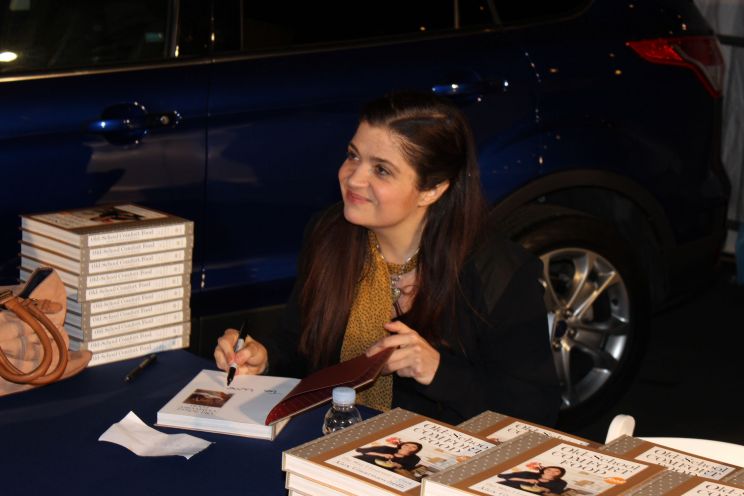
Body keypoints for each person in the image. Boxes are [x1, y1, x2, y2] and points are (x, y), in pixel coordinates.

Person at [214, 90, 561, 426]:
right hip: (329, 437)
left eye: (381, 170)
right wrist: (263, 357)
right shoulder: (330, 234)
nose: (353, 178)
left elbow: (535, 411)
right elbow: (300, 344)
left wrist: (438, 370)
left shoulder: (497, 270)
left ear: (432, 190)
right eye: (353, 155)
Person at [354, 441, 423, 471]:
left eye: (413, 446)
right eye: (406, 445)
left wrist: (397, 465)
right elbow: (362, 450)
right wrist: (382, 454)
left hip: (382, 471)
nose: (408, 447)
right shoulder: (386, 448)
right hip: (362, 463)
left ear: (417, 450)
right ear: (401, 445)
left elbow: (408, 468)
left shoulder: (415, 458)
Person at [498, 465, 568, 494]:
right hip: (507, 489)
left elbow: (555, 493)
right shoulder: (528, 474)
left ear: (561, 474)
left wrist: (545, 489)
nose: (551, 472)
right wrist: (526, 480)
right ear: (544, 470)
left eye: (556, 471)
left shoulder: (561, 483)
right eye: (549, 469)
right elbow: (504, 476)